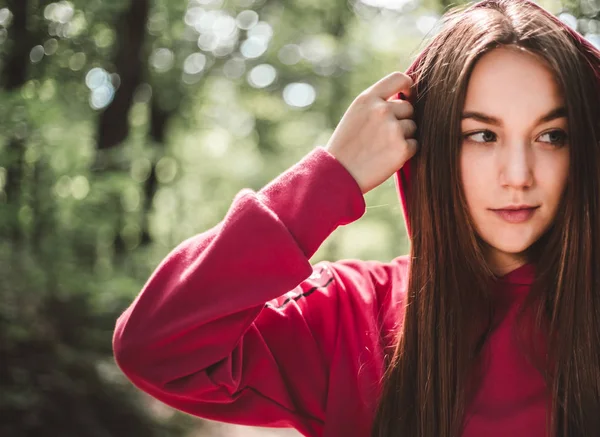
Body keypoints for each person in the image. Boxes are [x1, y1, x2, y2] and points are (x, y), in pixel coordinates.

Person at [112, 0, 600, 436]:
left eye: (551, 136)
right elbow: (157, 349)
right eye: (481, 135)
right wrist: (329, 178)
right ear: (426, 145)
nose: (518, 176)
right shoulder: (350, 314)